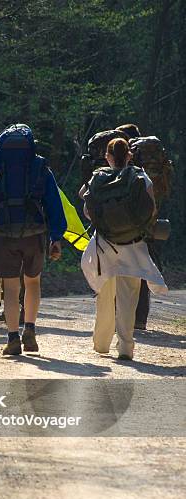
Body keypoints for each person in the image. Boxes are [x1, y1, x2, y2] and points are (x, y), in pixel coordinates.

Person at [0, 124, 67, 355]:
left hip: (3, 234)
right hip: (35, 233)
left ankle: (12, 339)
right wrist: (56, 237)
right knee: (32, 282)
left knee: (10, 288)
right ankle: (29, 330)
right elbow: (53, 203)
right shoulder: (40, 168)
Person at [80, 138, 168, 360]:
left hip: (105, 244)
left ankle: (101, 343)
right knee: (128, 297)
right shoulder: (139, 176)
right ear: (129, 155)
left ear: (108, 157)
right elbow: (151, 208)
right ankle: (126, 347)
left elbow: (87, 209)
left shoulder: (98, 177)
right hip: (133, 244)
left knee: (104, 294)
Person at [116, 123, 172, 330]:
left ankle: (118, 318)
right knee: (142, 272)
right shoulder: (153, 161)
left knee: (117, 271)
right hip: (148, 224)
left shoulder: (120, 160)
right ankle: (139, 320)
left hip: (120, 226)